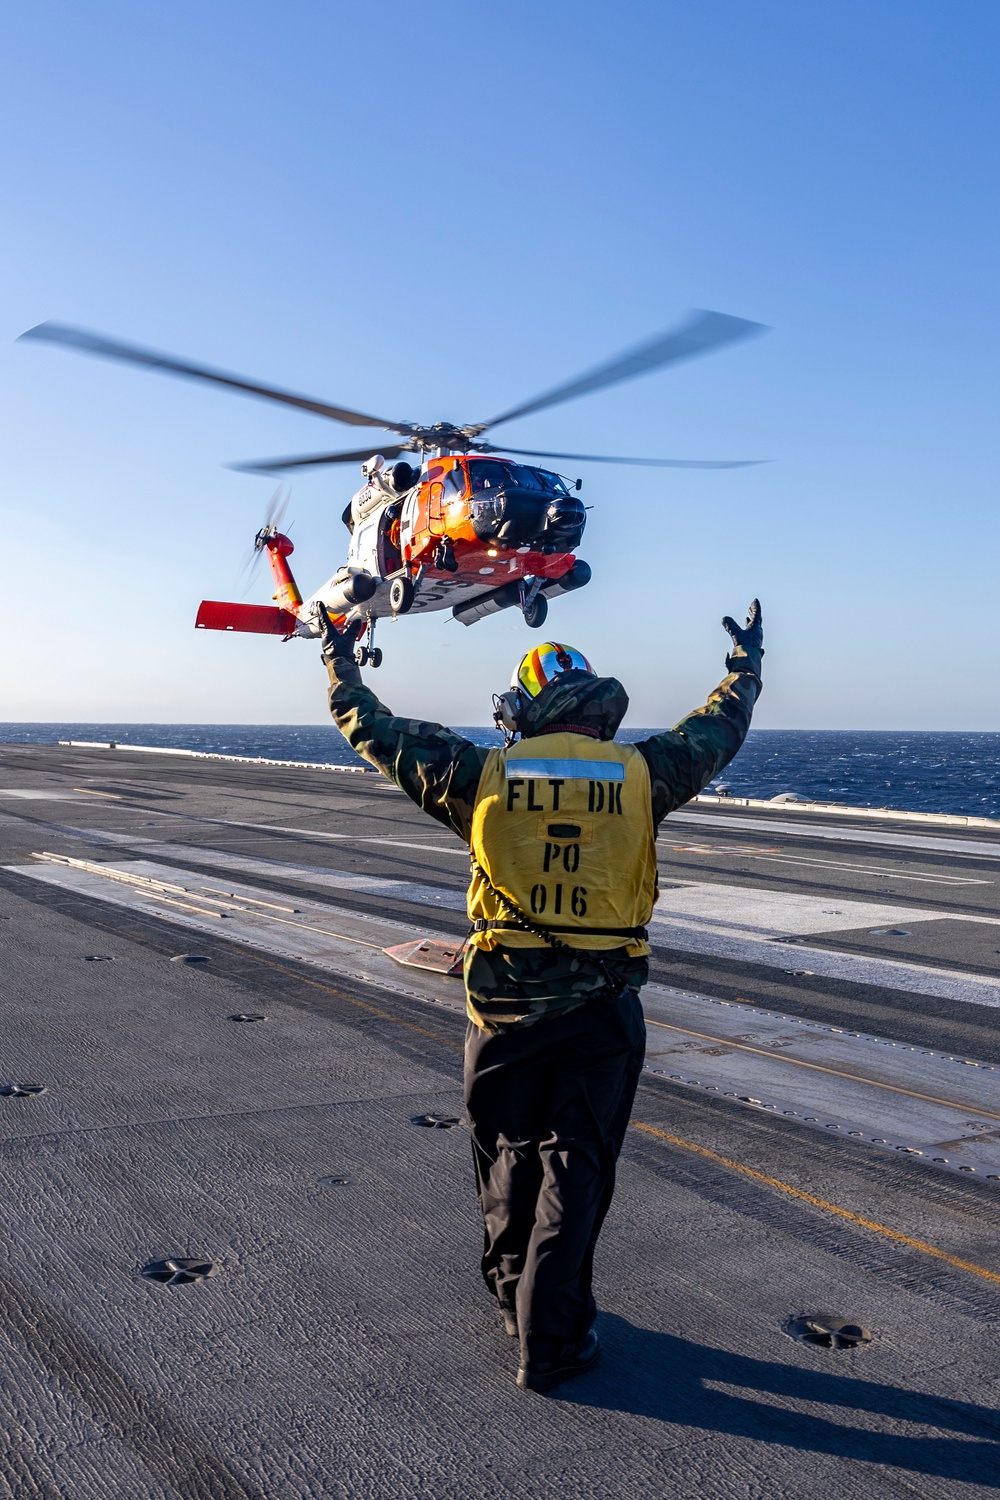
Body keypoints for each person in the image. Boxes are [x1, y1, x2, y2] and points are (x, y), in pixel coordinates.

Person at [317, 601, 763, 1392]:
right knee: (576, 1167)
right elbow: (719, 729)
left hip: (502, 1010)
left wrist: (340, 660)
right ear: (595, 703)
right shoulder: (644, 773)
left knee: (505, 1154)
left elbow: (372, 729)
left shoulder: (481, 773)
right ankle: (550, 1339)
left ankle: (508, 1291)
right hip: (601, 1009)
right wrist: (744, 665)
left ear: (525, 706)